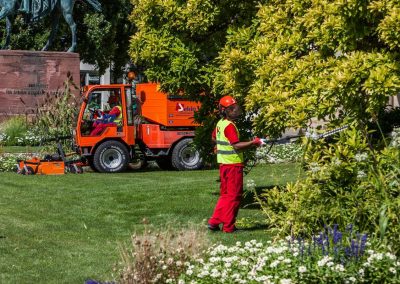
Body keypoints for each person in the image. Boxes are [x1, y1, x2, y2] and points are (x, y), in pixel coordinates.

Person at [208, 95, 264, 233]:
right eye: (231, 108)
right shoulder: (230, 127)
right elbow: (237, 146)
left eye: (235, 107)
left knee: (225, 195)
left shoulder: (221, 124)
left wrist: (217, 147)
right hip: (233, 165)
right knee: (234, 196)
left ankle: (214, 222)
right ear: (224, 110)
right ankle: (228, 227)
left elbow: (213, 138)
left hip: (224, 165)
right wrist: (253, 143)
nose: (235, 110)